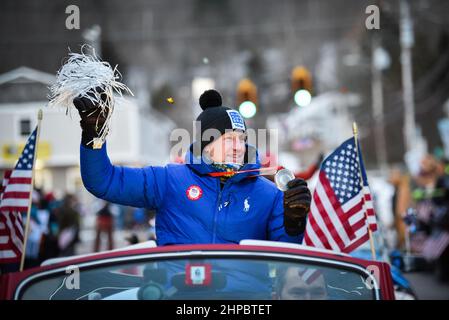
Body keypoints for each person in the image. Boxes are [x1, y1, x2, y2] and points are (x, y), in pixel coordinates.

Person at [74, 89, 311, 245]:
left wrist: (294, 222)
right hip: (180, 293)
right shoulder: (169, 180)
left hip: (243, 299)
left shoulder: (268, 194)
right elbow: (104, 182)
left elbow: (284, 255)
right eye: (229, 139)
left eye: (241, 138)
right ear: (207, 145)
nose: (239, 146)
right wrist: (94, 136)